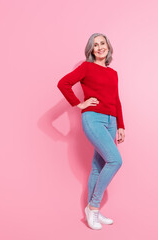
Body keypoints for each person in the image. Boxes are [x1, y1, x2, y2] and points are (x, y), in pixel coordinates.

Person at [57, 33, 125, 230]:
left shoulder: (113, 73)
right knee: (115, 160)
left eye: (102, 43)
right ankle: (93, 207)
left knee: (98, 165)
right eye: (95, 45)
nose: (99, 47)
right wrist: (79, 104)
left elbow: (116, 99)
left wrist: (121, 125)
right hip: (93, 118)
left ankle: (91, 210)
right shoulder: (87, 67)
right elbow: (63, 83)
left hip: (111, 121)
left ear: (108, 46)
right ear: (91, 50)